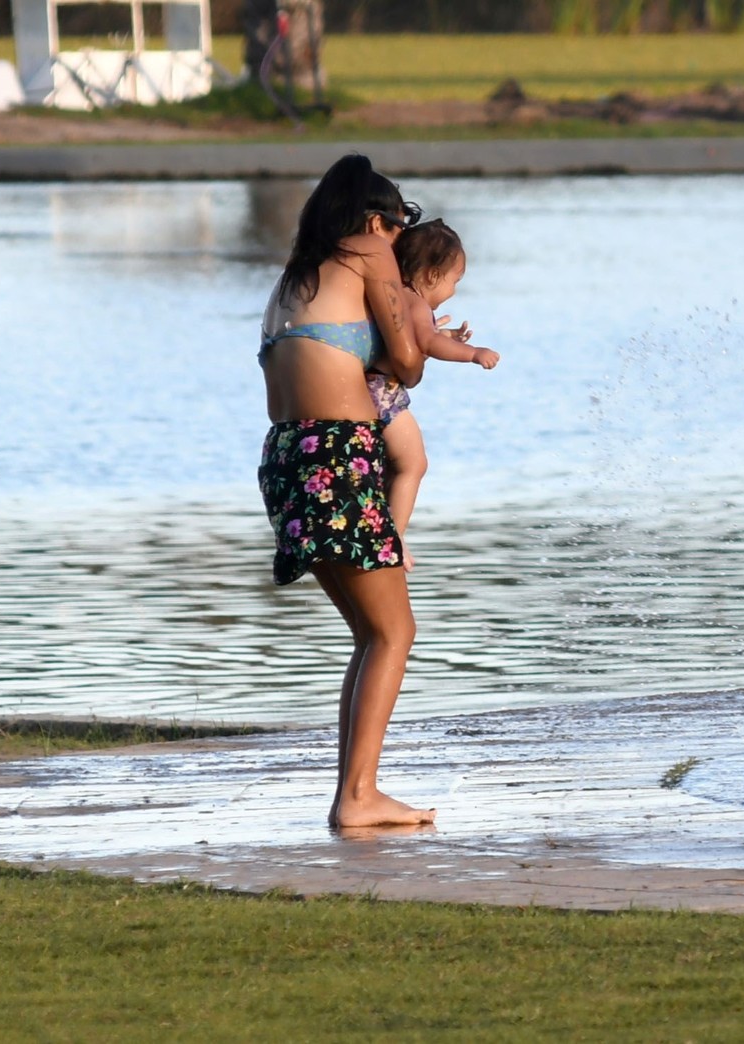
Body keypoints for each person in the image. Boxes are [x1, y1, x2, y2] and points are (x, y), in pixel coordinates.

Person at [256, 153, 436, 829]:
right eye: (397, 228)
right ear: (372, 220)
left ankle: (357, 791)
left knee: (372, 633)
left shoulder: (293, 276)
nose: (398, 243)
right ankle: (357, 797)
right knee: (395, 631)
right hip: (337, 454)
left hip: (287, 455)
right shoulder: (367, 251)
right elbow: (408, 366)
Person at [365, 218, 500, 563]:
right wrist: (472, 354)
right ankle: (392, 539)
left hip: (366, 388)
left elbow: (418, 337)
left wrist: (446, 337)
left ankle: (382, 529)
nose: (454, 290)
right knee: (414, 464)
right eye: (455, 281)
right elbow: (425, 341)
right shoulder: (417, 304)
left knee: (389, 468)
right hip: (382, 394)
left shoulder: (395, 296)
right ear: (431, 276)